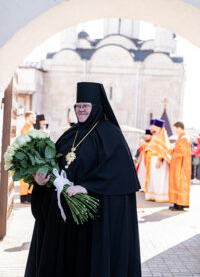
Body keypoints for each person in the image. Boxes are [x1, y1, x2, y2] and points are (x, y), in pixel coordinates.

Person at [24, 82, 141, 277]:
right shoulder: (70, 134)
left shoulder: (110, 134)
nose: (81, 110)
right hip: (63, 221)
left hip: (93, 222)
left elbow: (117, 175)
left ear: (97, 107)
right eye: (78, 106)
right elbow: (55, 167)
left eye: (85, 105)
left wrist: (87, 188)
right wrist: (42, 182)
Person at [144, 119, 171, 202]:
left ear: (158, 127)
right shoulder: (156, 135)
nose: (152, 128)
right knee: (153, 178)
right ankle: (153, 195)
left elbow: (164, 150)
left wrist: (159, 160)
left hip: (158, 161)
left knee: (159, 178)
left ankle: (160, 196)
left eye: (153, 126)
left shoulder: (163, 136)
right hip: (152, 159)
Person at [169, 122, 191, 210]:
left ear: (179, 128)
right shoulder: (181, 137)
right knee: (176, 183)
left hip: (181, 165)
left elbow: (183, 151)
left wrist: (173, 149)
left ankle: (180, 204)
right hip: (177, 164)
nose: (175, 130)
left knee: (180, 183)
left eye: (175, 128)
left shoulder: (185, 138)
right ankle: (176, 203)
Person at [19, 111, 36, 203]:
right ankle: (24, 197)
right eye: (32, 117)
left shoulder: (30, 127)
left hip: (30, 155)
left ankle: (28, 196)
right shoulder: (26, 128)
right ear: (27, 118)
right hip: (27, 155)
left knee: (30, 177)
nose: (34, 119)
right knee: (26, 177)